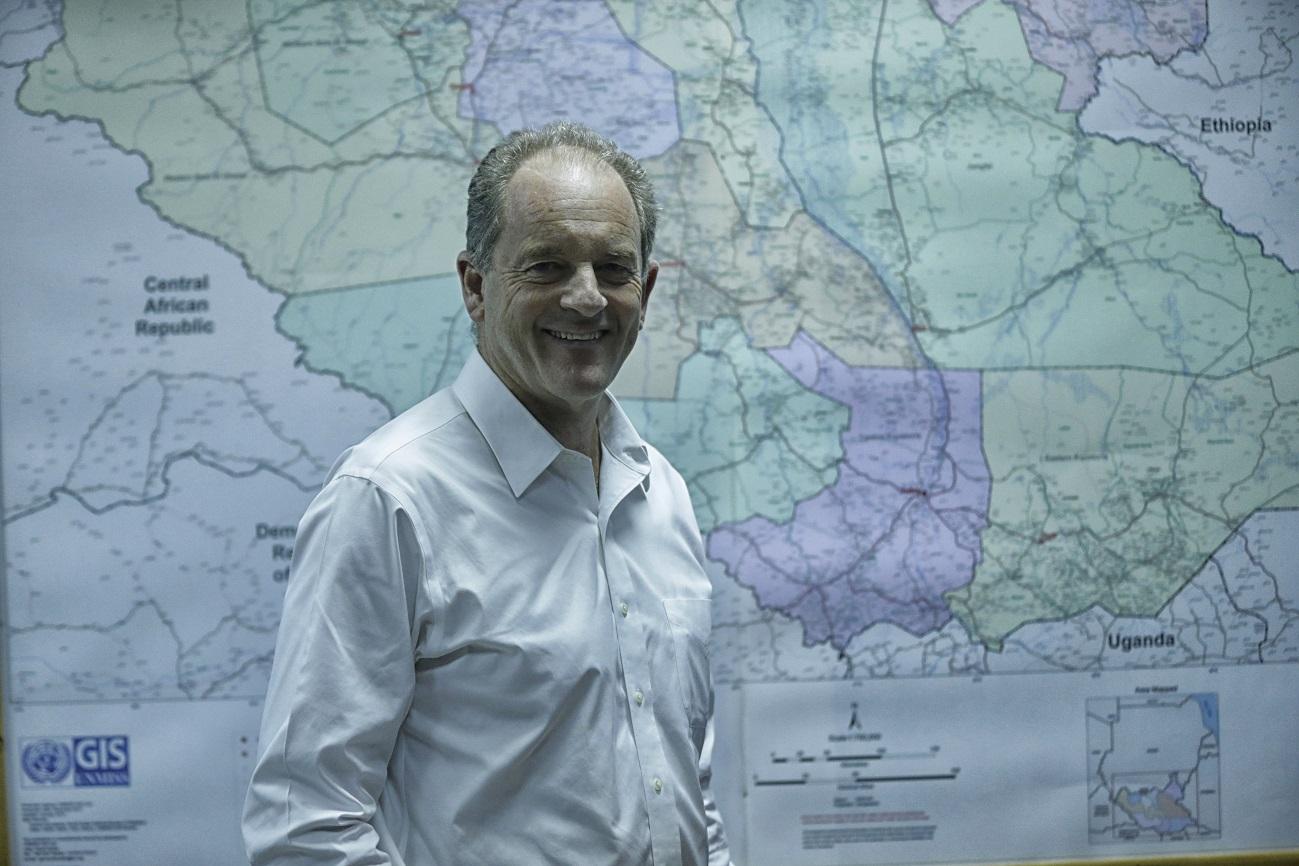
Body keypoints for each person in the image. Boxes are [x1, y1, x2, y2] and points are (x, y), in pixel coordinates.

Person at [242, 122, 733, 866]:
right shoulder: (388, 498)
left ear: (648, 287)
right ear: (475, 286)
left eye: (612, 268)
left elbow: (684, 782)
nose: (586, 298)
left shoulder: (658, 491)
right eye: (546, 266)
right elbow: (306, 829)